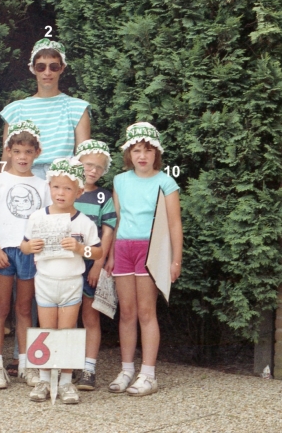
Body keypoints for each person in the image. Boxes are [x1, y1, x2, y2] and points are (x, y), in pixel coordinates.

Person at [105, 122, 183, 396]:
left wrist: (175, 260)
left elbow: (174, 223)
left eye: (148, 151)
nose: (142, 156)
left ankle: (148, 374)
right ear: (129, 154)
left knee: (146, 312)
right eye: (137, 150)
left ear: (156, 154)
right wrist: (111, 254)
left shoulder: (165, 181)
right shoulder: (120, 181)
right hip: (124, 248)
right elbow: (115, 220)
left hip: (151, 251)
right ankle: (126, 370)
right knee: (126, 312)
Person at [21, 158, 102, 404]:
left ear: (78, 191)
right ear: (49, 187)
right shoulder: (37, 217)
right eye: (56, 187)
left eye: (68, 188)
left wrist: (80, 248)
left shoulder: (84, 222)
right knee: (46, 332)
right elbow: (23, 246)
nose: (61, 193)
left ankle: (66, 383)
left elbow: (97, 252)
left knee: (67, 333)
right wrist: (29, 247)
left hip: (71, 283)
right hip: (45, 281)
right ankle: (44, 380)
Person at [0, 120, 51, 389]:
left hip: (30, 254)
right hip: (4, 252)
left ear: (37, 153)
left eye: (28, 152)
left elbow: (47, 220)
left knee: (24, 309)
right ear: (8, 151)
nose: (22, 157)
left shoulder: (43, 185)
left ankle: (26, 363)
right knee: (0, 307)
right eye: (17, 151)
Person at [0, 38, 91, 179]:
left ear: (62, 68)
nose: (47, 73)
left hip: (63, 178)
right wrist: (2, 183)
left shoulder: (77, 108)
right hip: (24, 177)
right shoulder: (15, 110)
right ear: (33, 68)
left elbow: (83, 156)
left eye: (53, 67)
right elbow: (7, 157)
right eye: (41, 67)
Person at [72, 140, 116, 390]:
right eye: (88, 165)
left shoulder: (104, 196)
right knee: (65, 315)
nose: (93, 171)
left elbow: (108, 231)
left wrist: (99, 263)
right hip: (65, 265)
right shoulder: (67, 189)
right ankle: (66, 365)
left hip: (90, 264)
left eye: (99, 168)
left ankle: (89, 369)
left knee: (90, 316)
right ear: (78, 163)